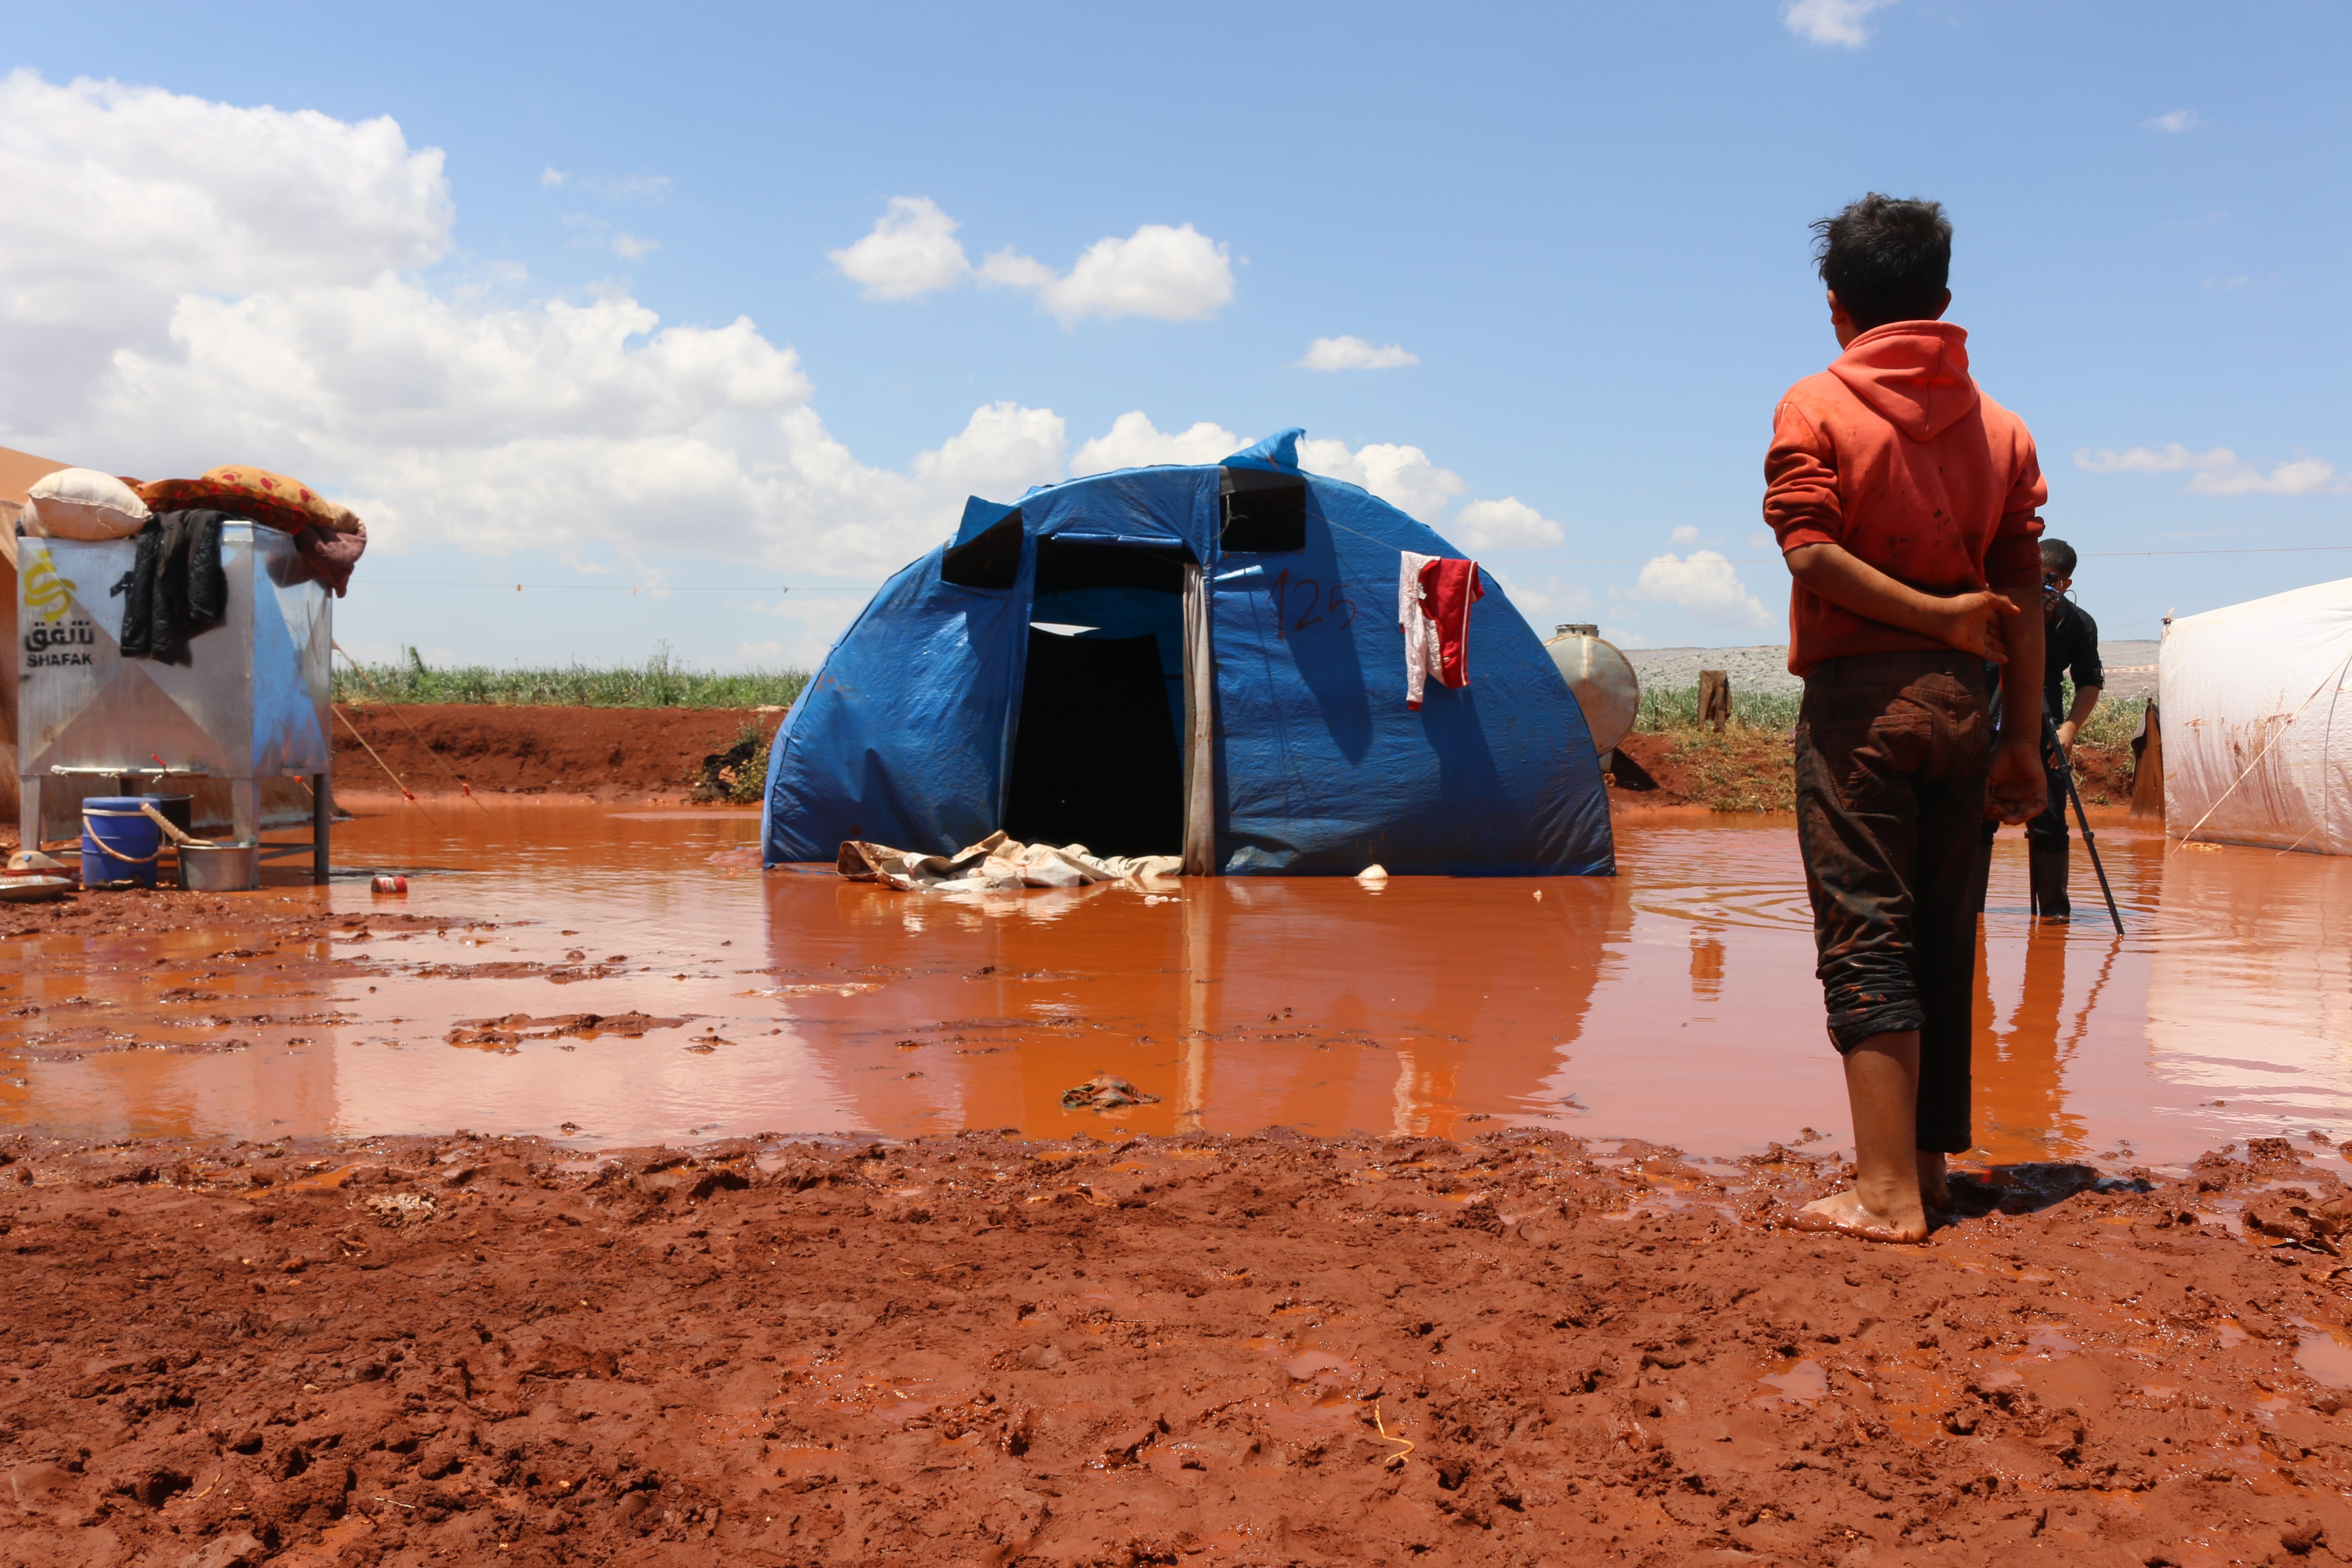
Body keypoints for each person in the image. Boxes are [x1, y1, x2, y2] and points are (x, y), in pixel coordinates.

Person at [1762, 193, 2049, 1243]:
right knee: (1941, 933)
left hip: (1859, 707)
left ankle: (1882, 1196)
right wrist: (2021, 739)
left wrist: (1926, 612)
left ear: (1838, 310)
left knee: (1863, 934)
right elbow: (2019, 596)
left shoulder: (1814, 405)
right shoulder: (2002, 429)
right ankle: (1924, 1169)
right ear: (1941, 300)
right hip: (1965, 709)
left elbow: (1808, 551)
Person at [2026, 538, 2103, 919]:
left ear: (2064, 584)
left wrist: (2071, 728)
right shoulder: (2001, 609)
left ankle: (2055, 915)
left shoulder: (2078, 623)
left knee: (2052, 817)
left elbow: (2090, 680)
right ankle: (1969, 915)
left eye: (2048, 580)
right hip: (1991, 717)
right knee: (1976, 819)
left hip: (2047, 724)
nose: (2038, 586)